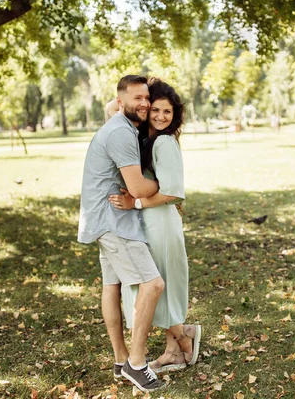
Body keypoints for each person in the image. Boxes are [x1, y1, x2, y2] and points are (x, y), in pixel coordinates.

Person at [77, 75, 165, 393]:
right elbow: (140, 188)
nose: (143, 104)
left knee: (111, 286)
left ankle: (119, 359)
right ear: (121, 100)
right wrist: (165, 184)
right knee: (153, 284)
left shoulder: (117, 122)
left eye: (146, 98)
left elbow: (111, 106)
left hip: (101, 217)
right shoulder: (121, 133)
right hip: (114, 221)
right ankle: (136, 363)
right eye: (136, 98)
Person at [108, 79, 202, 374]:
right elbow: (113, 107)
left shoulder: (164, 142)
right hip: (147, 224)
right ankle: (176, 348)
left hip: (160, 223)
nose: (161, 116)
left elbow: (173, 192)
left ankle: (184, 342)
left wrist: (136, 204)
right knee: (158, 287)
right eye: (156, 110)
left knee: (158, 287)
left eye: (168, 112)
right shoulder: (143, 139)